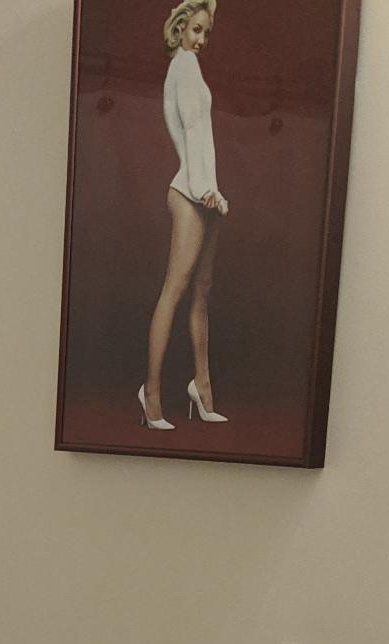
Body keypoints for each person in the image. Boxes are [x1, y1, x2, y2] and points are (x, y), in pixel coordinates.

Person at [140, 0, 229, 430]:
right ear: (180, 27)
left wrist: (214, 190)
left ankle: (203, 387)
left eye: (207, 33)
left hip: (205, 192)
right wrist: (203, 189)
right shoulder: (184, 67)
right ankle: (151, 396)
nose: (201, 39)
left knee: (201, 293)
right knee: (174, 294)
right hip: (190, 192)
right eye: (196, 29)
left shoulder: (187, 67)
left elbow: (204, 137)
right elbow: (191, 132)